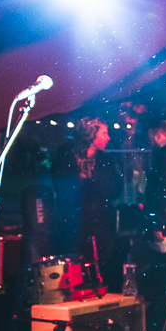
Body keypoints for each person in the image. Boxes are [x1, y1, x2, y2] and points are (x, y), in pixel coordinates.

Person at [51, 117, 122, 288]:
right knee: (74, 262)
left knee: (102, 262)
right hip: (73, 221)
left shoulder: (106, 160)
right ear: (91, 135)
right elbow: (60, 184)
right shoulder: (65, 154)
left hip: (99, 221)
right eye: (104, 133)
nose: (108, 137)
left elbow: (115, 189)